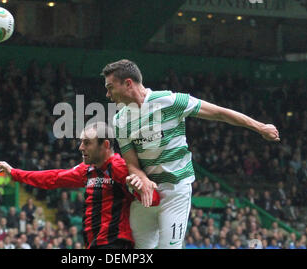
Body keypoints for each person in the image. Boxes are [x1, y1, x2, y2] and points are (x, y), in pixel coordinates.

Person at [101, 59, 280, 249]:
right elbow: (132, 164)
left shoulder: (171, 101)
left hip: (175, 191)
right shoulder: (120, 119)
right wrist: (142, 180)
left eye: (110, 87)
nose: (107, 94)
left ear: (128, 83)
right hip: (145, 194)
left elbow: (220, 113)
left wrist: (260, 127)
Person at [0, 122, 159, 249]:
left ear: (105, 145)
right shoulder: (87, 169)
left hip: (114, 242)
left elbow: (154, 199)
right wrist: (14, 173)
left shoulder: (119, 167)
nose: (80, 147)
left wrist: (140, 189)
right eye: (81, 142)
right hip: (94, 243)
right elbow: (54, 178)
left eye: (87, 143)